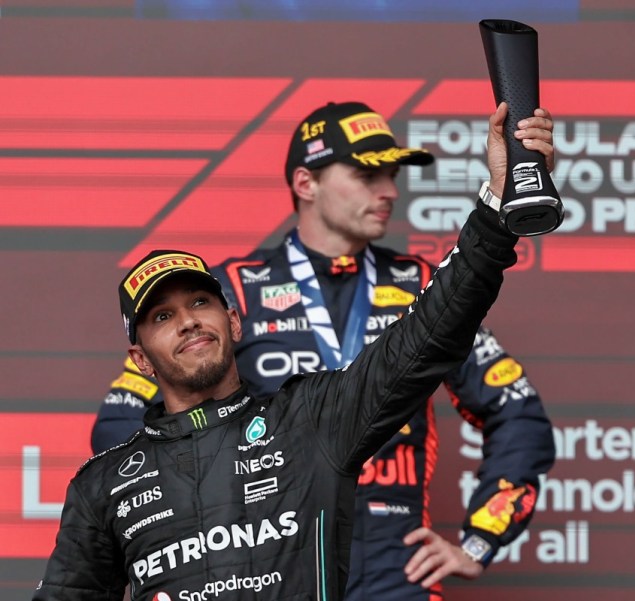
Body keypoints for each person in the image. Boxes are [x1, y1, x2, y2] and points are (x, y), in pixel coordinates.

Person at [34, 101, 554, 600]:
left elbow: (517, 412)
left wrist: (481, 537)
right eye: (368, 175)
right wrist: (195, 546)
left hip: (391, 567)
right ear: (307, 183)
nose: (388, 191)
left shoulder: (420, 286)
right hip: (266, 555)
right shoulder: (230, 289)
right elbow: (121, 431)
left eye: (392, 175)